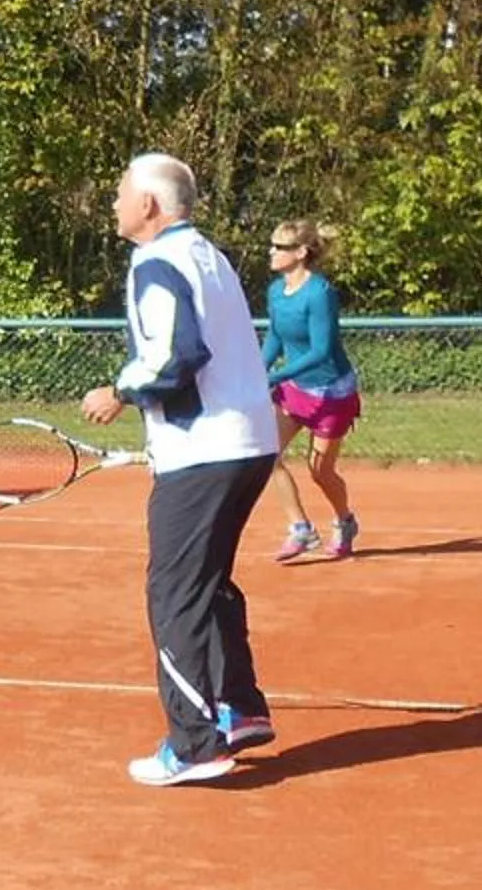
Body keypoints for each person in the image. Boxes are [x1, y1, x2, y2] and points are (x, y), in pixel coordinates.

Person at [79, 153, 281, 786]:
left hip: (204, 453)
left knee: (174, 593)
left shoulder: (157, 261)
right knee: (210, 580)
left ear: (149, 205)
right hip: (250, 443)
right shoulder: (209, 256)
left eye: (120, 194)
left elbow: (175, 356)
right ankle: (239, 706)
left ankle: (195, 745)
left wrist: (119, 390)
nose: (114, 204)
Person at [260, 218, 361, 561]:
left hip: (332, 393)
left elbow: (321, 351)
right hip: (295, 391)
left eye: (280, 247)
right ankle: (300, 529)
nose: (271, 252)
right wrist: (259, 369)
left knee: (320, 471)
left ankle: (345, 520)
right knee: (265, 454)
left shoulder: (320, 293)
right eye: (272, 245)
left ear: (301, 253)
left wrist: (274, 377)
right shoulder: (276, 291)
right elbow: (275, 336)